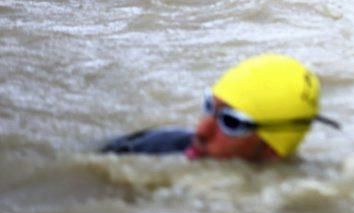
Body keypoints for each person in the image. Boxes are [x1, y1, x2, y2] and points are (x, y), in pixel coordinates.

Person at [100, 54, 340, 161]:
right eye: (209, 107)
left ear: (271, 151)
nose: (201, 131)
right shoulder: (144, 149)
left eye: (231, 122)